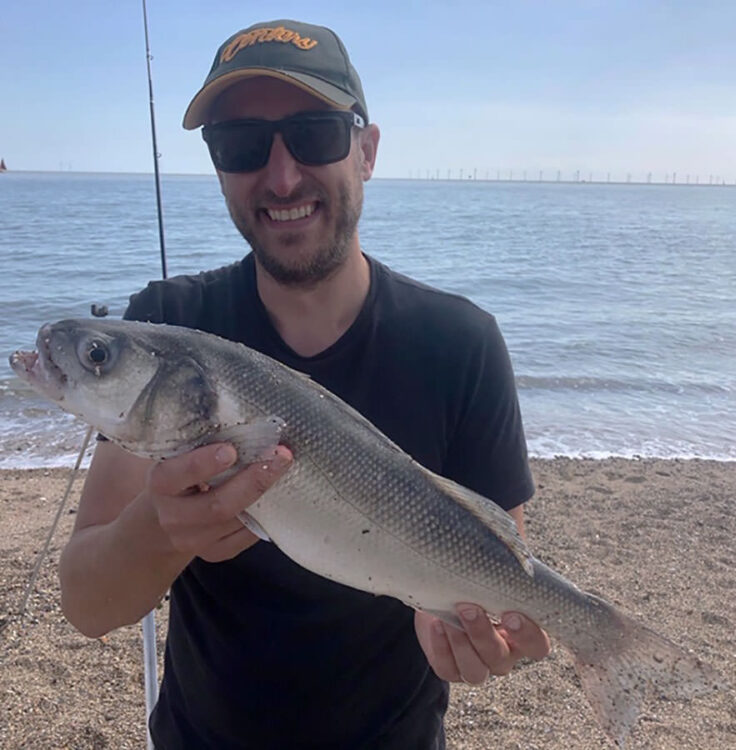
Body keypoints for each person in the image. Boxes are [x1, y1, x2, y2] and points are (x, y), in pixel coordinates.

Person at [59, 19, 550, 750]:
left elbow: (497, 558)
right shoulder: (170, 326)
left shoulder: (460, 343)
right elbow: (89, 604)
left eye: (316, 133)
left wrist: (483, 630)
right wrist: (159, 530)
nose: (282, 176)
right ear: (219, 166)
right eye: (241, 146)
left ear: (368, 149)